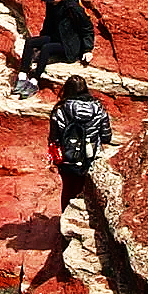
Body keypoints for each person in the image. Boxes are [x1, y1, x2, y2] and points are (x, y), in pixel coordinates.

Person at [14, 0, 96, 97]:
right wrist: (42, 37)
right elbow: (48, 23)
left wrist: (87, 49)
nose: (50, 1)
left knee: (47, 48)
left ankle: (34, 81)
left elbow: (87, 28)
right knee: (31, 42)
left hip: (70, 45)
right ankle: (22, 76)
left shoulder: (72, 8)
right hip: (56, 37)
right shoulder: (52, 4)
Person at [48, 74, 112, 218]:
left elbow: (54, 138)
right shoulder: (98, 108)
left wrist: (54, 158)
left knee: (68, 189)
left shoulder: (60, 109)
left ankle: (65, 220)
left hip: (66, 157)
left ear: (67, 89)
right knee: (83, 191)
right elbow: (107, 137)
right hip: (90, 157)